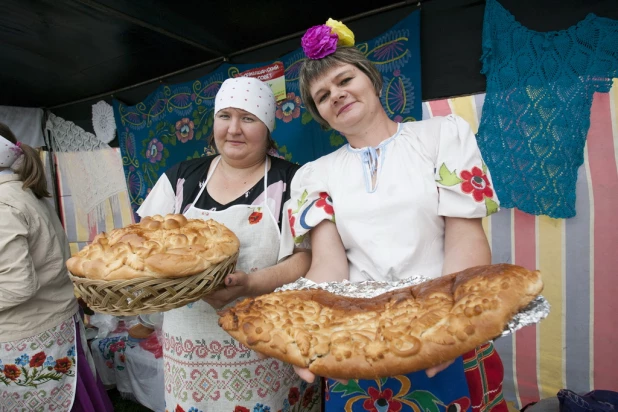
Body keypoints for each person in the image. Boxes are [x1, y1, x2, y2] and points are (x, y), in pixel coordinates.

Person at [282, 20, 507, 412]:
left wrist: (448, 328)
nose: (336, 95)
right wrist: (307, 329)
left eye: (344, 80)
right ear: (320, 114)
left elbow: (465, 239)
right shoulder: (315, 176)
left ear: (372, 79)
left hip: (443, 327)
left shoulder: (441, 138)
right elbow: (329, 265)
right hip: (359, 344)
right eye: (322, 95)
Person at [137, 77, 321, 411]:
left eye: (248, 118)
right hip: (190, 352)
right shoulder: (180, 179)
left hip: (266, 348)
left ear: (266, 128)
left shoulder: (293, 182)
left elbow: (305, 257)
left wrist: (249, 283)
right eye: (225, 116)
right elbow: (144, 246)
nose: (234, 129)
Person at [0, 123, 113, 411]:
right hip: (52, 326)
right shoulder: (23, 192)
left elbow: (16, 285)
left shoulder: (4, 204)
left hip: (31, 334)